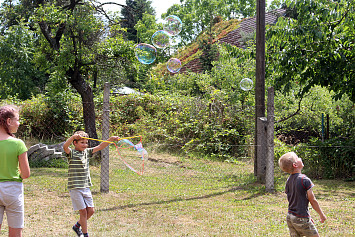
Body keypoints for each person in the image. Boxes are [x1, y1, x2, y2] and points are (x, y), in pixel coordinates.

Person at [63, 131, 119, 237]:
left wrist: (110, 139)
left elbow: (101, 146)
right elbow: (65, 146)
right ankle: (85, 234)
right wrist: (72, 137)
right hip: (75, 187)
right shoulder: (71, 153)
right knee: (83, 212)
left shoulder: (87, 152)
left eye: (86, 142)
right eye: (82, 142)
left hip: (86, 187)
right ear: (75, 143)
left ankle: (77, 226)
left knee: (91, 211)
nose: (85, 145)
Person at [279, 152, 327, 237]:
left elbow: (295, 199)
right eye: (297, 158)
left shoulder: (288, 180)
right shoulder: (304, 180)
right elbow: (312, 200)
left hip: (290, 217)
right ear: (295, 165)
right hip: (300, 218)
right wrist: (321, 215)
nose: (300, 158)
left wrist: (306, 216)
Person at [0, 105, 30, 237]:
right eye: (17, 120)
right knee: (15, 232)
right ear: (8, 121)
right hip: (12, 191)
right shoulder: (18, 144)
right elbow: (26, 174)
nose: (19, 123)